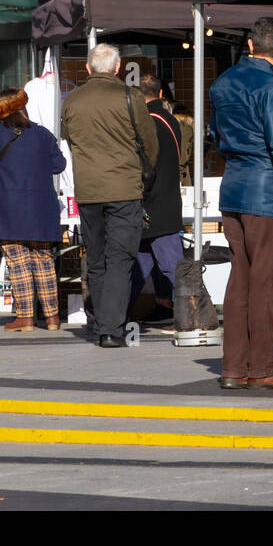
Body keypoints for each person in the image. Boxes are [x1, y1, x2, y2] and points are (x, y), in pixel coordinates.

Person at [211, 17, 273, 389]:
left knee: (241, 282)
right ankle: (265, 366)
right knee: (270, 284)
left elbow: (217, 137)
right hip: (271, 193)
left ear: (250, 45)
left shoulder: (223, 83)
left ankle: (234, 366)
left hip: (234, 186)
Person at [61, 43, 158, 348]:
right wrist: (146, 171)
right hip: (123, 187)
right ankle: (112, 329)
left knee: (97, 257)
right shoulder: (130, 97)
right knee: (120, 257)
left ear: (88, 69)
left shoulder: (72, 100)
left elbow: (69, 138)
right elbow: (149, 141)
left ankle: (101, 322)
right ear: (118, 69)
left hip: (88, 191)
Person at [0, 89, 67, 333]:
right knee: (44, 262)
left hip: (9, 208)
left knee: (18, 262)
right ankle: (52, 318)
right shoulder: (43, 134)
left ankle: (26, 317)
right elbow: (58, 165)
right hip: (42, 209)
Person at [128, 74, 183, 320]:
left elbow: (144, 167)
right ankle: (118, 315)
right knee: (138, 268)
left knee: (174, 269)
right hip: (167, 201)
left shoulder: (146, 123)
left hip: (151, 205)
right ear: (161, 94)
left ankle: (193, 316)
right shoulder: (171, 120)